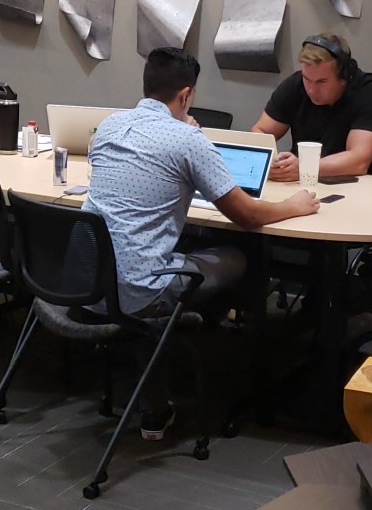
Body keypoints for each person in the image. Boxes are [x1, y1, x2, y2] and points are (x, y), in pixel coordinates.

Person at [85, 46, 319, 439]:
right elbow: (248, 216)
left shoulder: (109, 126)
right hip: (142, 290)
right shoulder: (188, 140)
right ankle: (236, 365)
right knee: (237, 256)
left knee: (179, 250)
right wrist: (294, 205)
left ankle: (187, 338)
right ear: (186, 94)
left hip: (90, 280)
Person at [254, 34, 372, 181]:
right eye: (306, 79)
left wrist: (305, 168)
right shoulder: (295, 85)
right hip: (303, 182)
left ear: (344, 76)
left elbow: (358, 161)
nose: (311, 90)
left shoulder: (371, 94)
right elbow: (260, 130)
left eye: (321, 82)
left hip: (356, 185)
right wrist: (270, 162)